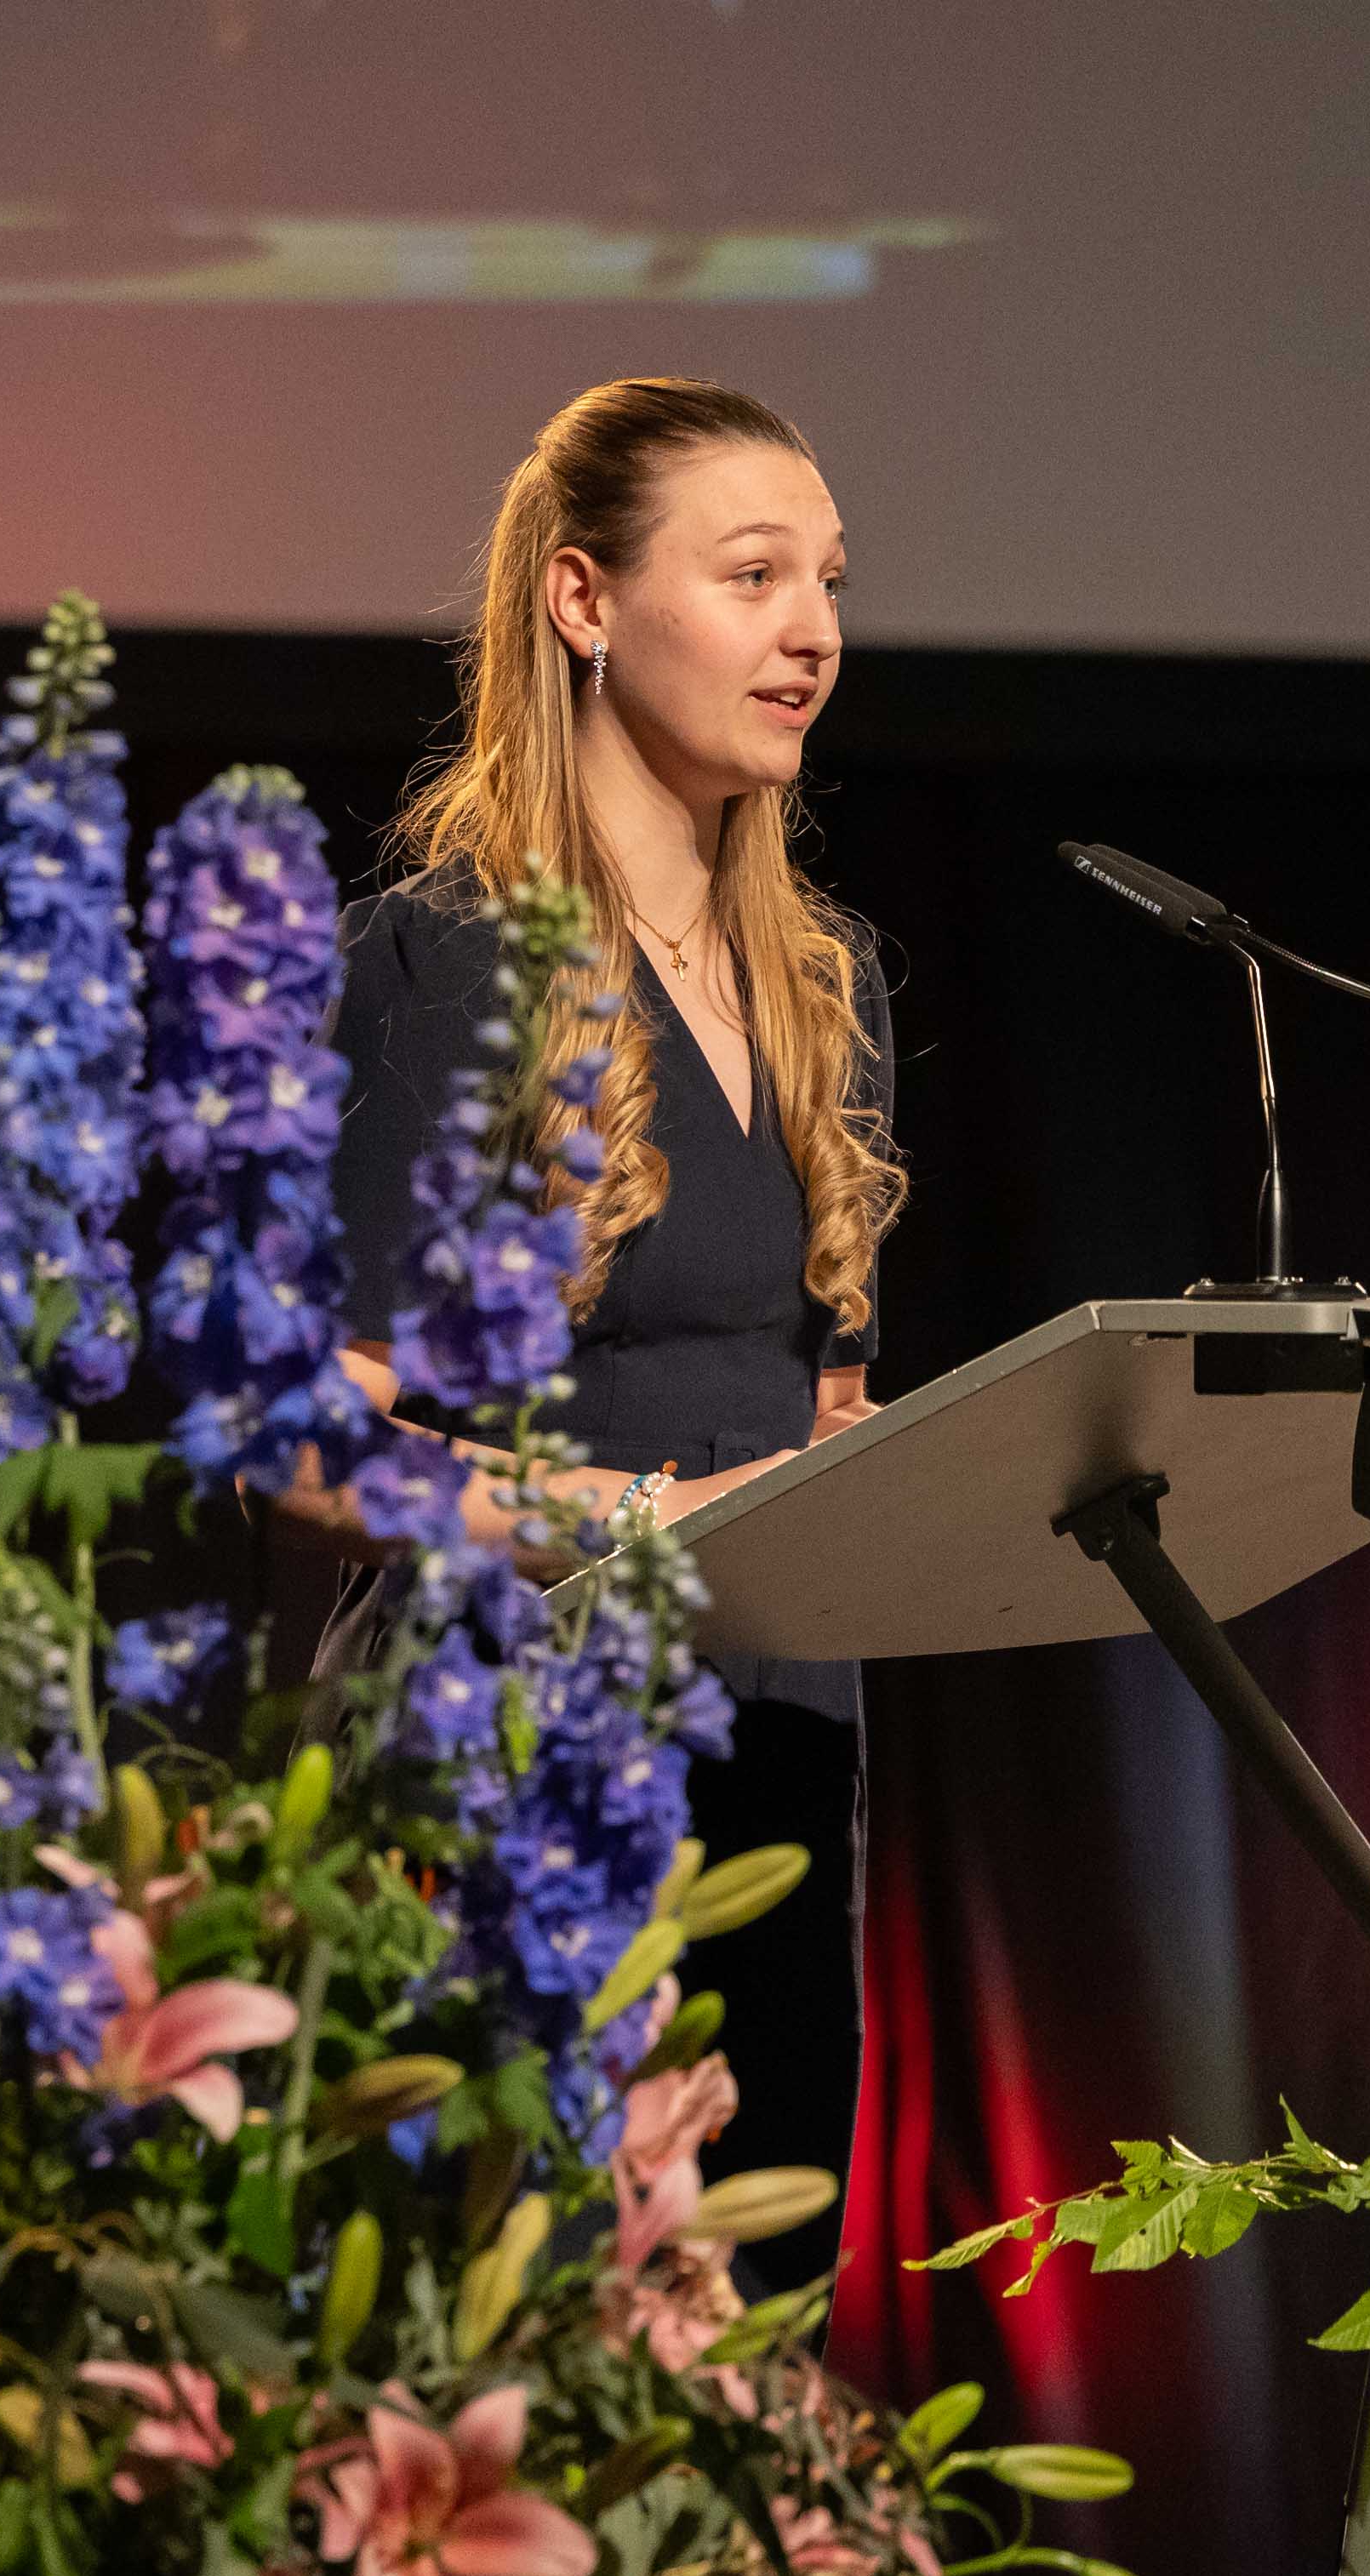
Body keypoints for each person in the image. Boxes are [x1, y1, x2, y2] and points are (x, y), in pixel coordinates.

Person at [295, 378, 901, 2289]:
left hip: (775, 1759)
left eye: (826, 581)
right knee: (514, 2358)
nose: (809, 630)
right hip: (507, 1758)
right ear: (578, 599)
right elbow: (306, 1433)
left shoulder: (826, 986)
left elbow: (824, 1409)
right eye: (748, 576)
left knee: (741, 2351)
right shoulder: (435, 965)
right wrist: (589, 1517)